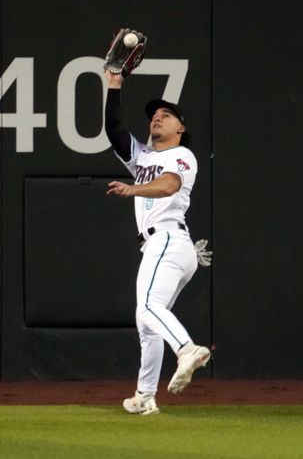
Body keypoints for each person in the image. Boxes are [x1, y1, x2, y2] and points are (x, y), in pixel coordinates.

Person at [103, 69, 211, 416]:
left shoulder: (182, 156)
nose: (158, 118)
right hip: (167, 246)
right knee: (146, 320)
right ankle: (145, 395)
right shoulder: (143, 158)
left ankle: (186, 349)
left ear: (180, 128)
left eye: (166, 115)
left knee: (149, 308)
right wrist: (114, 87)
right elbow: (115, 132)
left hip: (167, 238)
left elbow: (168, 186)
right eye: (154, 115)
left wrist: (133, 188)